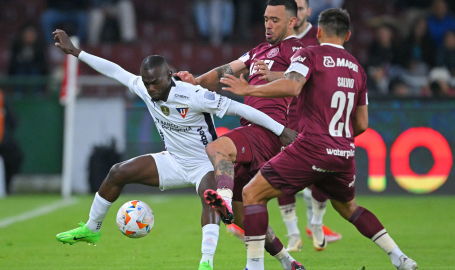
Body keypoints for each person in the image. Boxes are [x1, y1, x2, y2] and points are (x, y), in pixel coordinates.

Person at [52, 29, 297, 270]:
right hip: (173, 161)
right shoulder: (144, 88)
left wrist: (280, 130)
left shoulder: (194, 95)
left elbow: (242, 109)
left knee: (217, 205)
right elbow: (115, 70)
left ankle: (206, 263)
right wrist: (76, 52)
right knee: (118, 172)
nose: (151, 89)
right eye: (147, 84)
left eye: (156, 82)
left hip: (205, 163)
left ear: (169, 75)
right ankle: (92, 229)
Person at [221, 8, 418, 270]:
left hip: (311, 147)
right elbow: (362, 124)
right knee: (349, 209)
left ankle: (254, 266)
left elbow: (292, 85)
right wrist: (338, 140)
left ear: (319, 32)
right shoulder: (358, 69)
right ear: (347, 35)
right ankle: (400, 257)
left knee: (251, 193)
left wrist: (249, 88)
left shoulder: (309, 54)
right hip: (344, 151)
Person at [175, 1, 306, 269]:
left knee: (215, 149)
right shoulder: (259, 50)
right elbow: (226, 70)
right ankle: (288, 261)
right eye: (266, 19)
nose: (268, 25)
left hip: (268, 129)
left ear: (292, 22)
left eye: (275, 20)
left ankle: (222, 199)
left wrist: (268, 77)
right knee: (246, 211)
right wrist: (196, 82)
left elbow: (296, 83)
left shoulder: (298, 50)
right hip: (252, 129)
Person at [275, 0, 342, 253]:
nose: (297, 14)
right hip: (287, 112)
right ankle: (292, 233)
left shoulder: (320, 37)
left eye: (301, 9)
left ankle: (316, 223)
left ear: (307, 13)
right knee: (282, 173)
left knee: (321, 172)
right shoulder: (278, 39)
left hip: (317, 112)